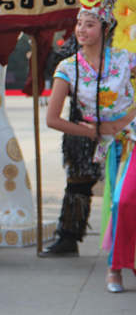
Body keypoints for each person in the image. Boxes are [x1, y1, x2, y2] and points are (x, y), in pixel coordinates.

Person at [45, 0, 136, 293]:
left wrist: (123, 120)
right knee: (119, 202)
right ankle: (116, 267)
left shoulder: (126, 60)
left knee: (125, 201)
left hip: (132, 138)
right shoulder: (68, 68)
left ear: (106, 26)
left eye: (90, 23)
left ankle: (121, 264)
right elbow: (52, 118)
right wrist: (91, 130)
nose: (82, 30)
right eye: (79, 23)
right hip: (104, 146)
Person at [39, 34, 101, 257]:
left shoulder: (123, 43)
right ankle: (68, 236)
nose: (83, 27)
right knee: (78, 183)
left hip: (119, 126)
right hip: (82, 126)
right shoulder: (74, 48)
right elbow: (55, 64)